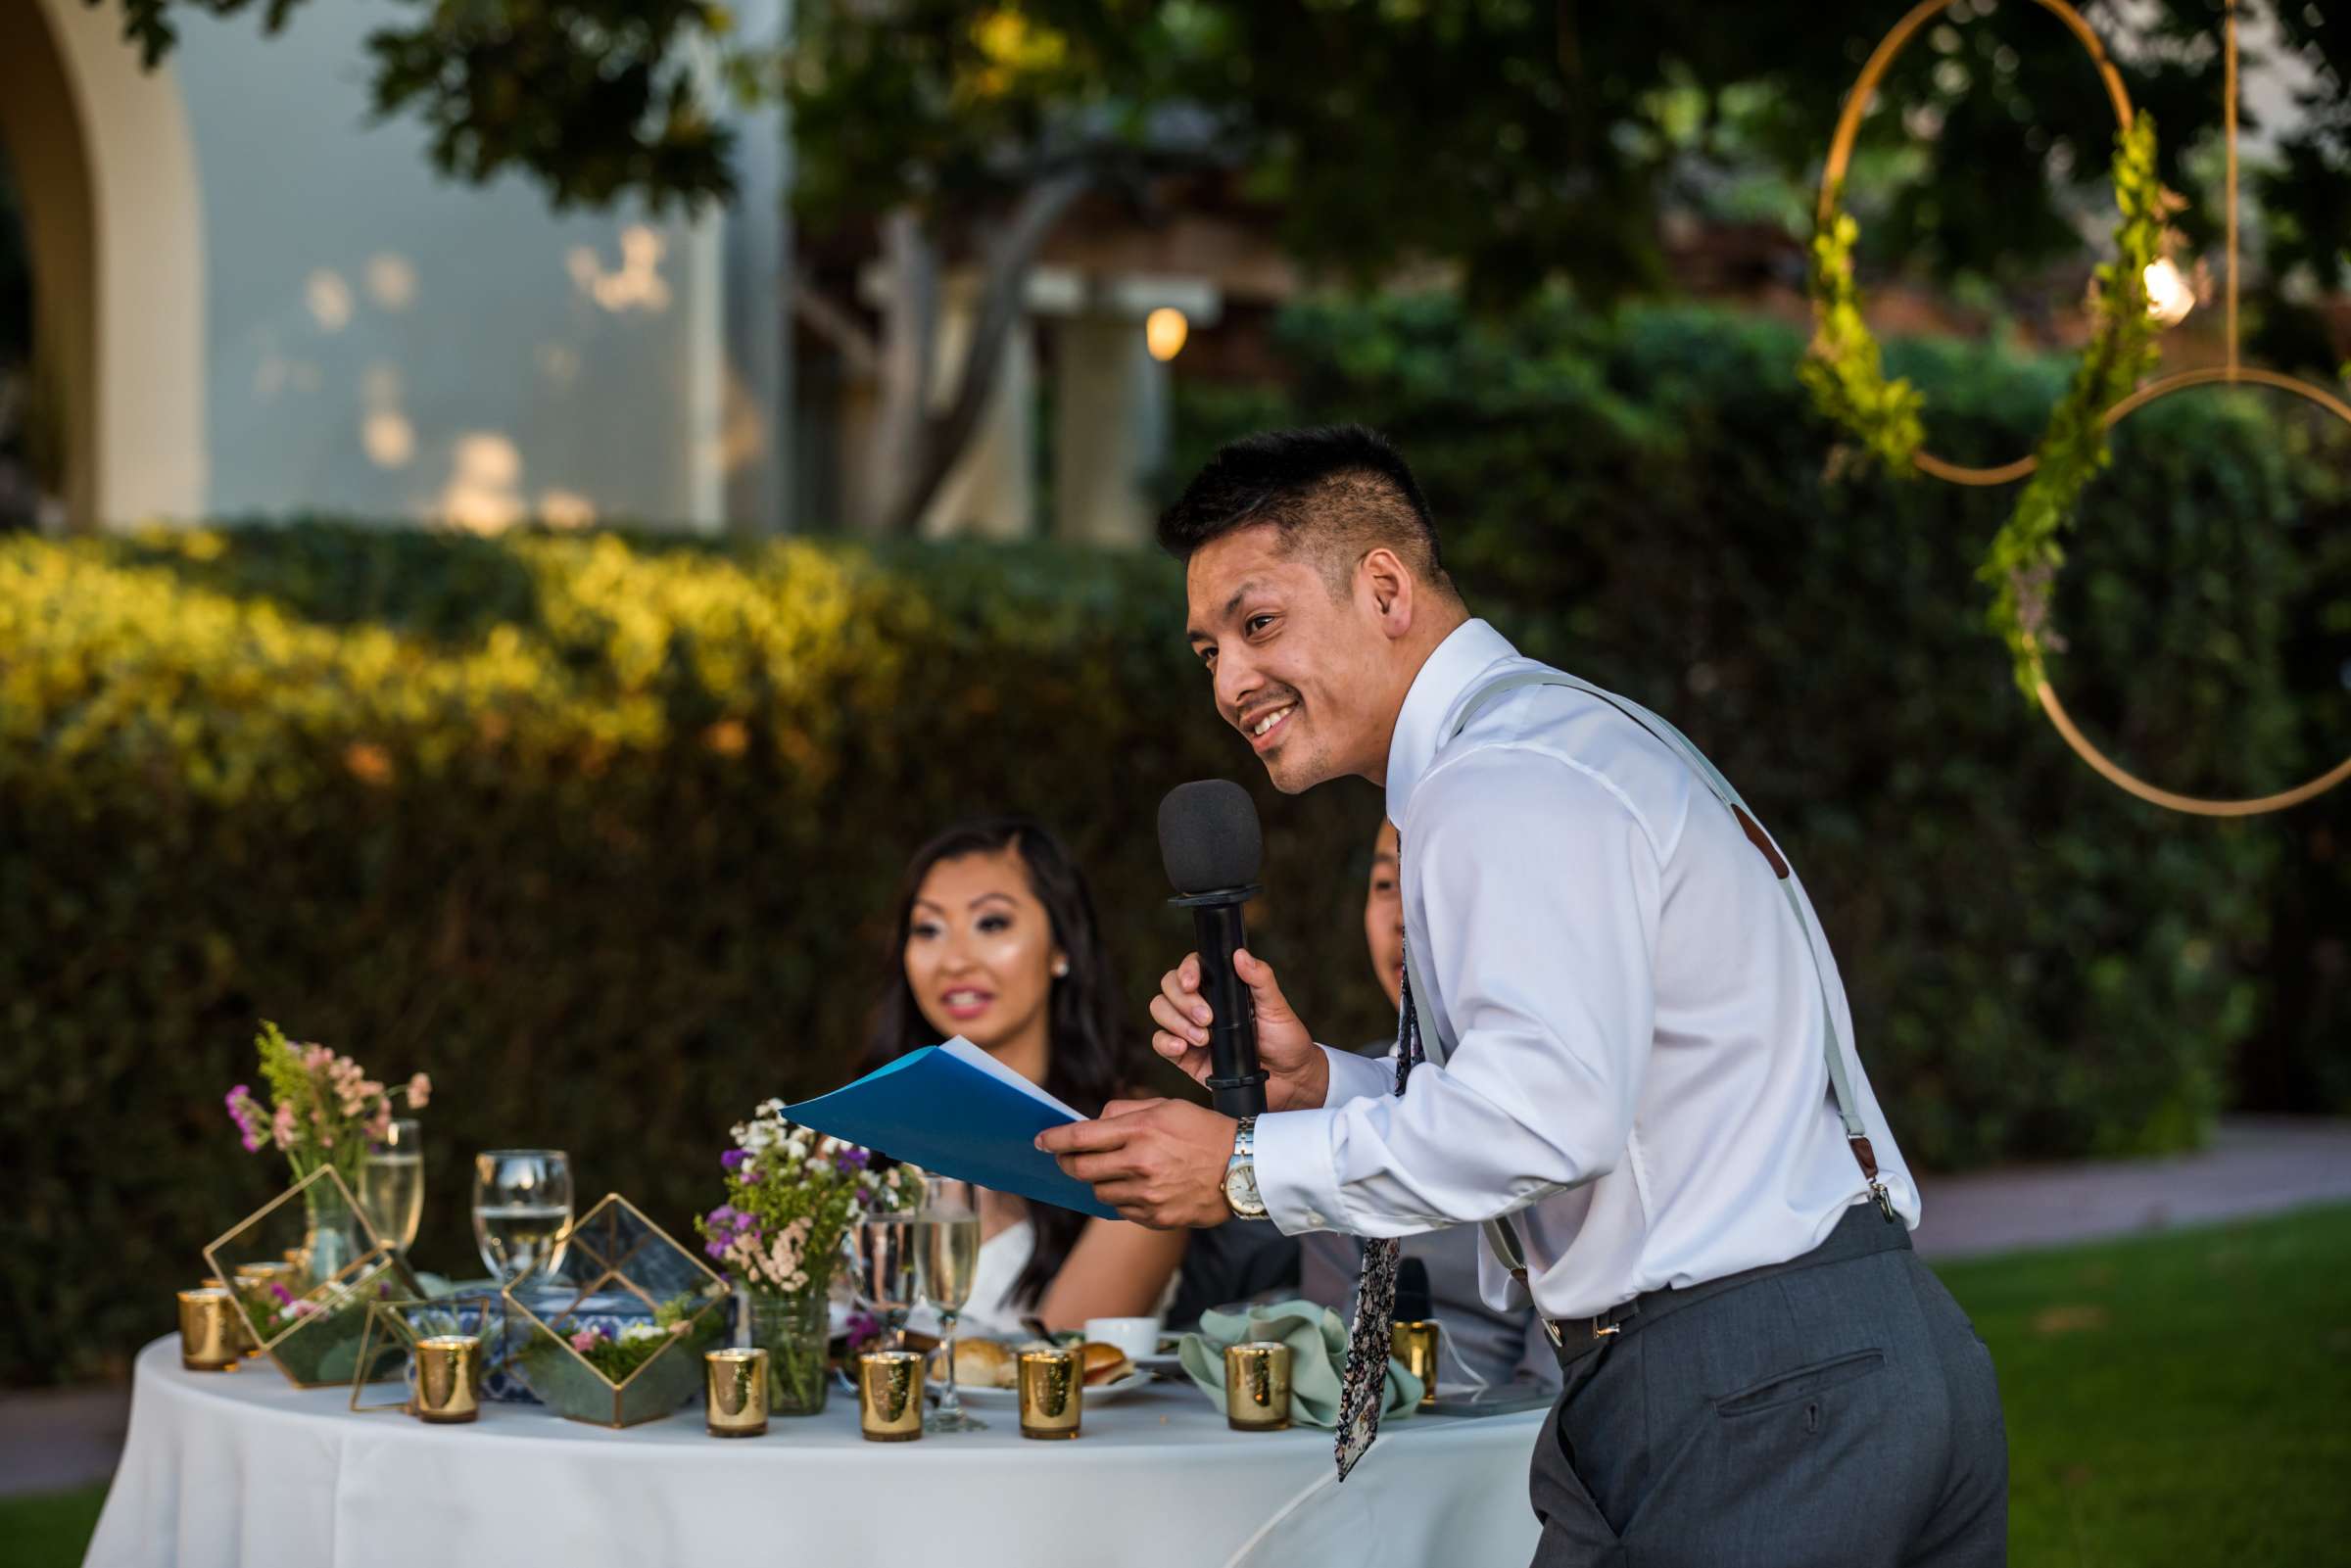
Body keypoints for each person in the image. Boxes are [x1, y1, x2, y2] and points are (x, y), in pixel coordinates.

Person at [1038, 427, 2006, 1564]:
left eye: (1259, 625)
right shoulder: (1566, 737)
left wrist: (1242, 1167)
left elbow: (1549, 1117)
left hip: (1752, 1390)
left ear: (1386, 586)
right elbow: (1587, 1092)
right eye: (1207, 649)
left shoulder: (1495, 779)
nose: (1230, 681)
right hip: (1855, 1351)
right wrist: (1319, 1085)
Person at [866, 816, 1185, 1337]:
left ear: (1061, 946)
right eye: (928, 929)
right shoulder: (862, 1133)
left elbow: (1055, 1373)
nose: (955, 960)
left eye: (991, 924)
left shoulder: (1132, 1140)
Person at [1292, 819, 1560, 1393]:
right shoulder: (1332, 1099)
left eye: (1429, 881)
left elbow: (1564, 1373)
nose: (1401, 919)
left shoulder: (1560, 1090)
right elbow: (1332, 1345)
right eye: (1386, 885)